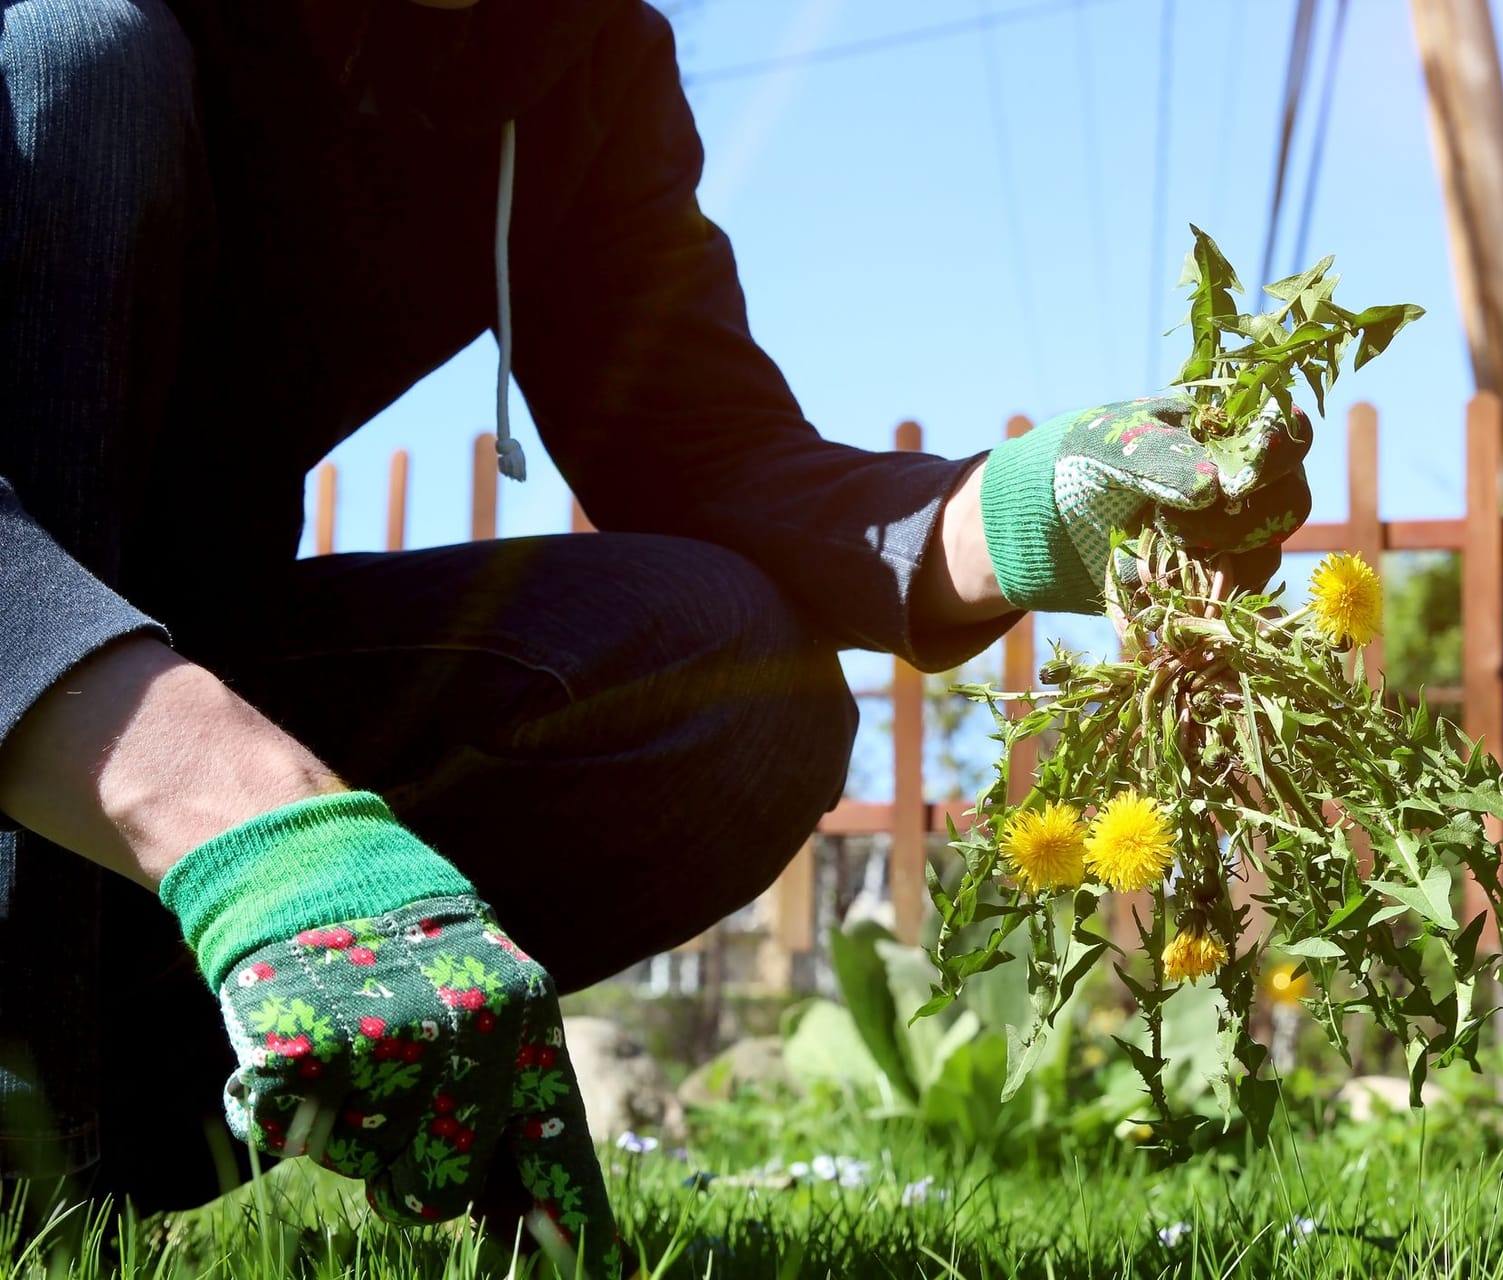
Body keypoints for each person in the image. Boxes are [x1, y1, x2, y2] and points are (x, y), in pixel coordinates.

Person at [0, 0, 1313, 1263]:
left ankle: (86, 1140)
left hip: (168, 730)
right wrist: (260, 833)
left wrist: (1020, 514)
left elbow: (699, 446)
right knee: (74, 63)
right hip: (95, 719)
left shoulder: (571, 58)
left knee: (731, 682)